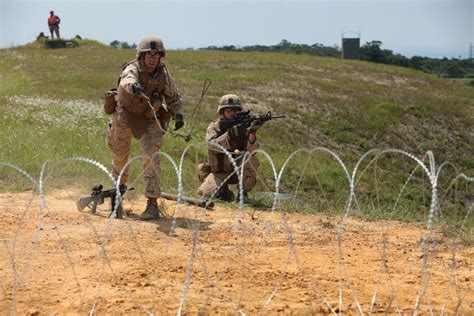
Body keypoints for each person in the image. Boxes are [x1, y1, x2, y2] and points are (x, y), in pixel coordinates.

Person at [106, 36, 185, 220]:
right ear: (142, 55)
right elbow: (126, 80)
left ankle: (152, 204)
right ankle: (117, 198)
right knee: (120, 156)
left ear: (160, 56)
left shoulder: (164, 75)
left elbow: (174, 97)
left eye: (156, 54)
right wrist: (133, 86)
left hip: (149, 118)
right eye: (149, 54)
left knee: (151, 156)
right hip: (125, 115)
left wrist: (178, 114)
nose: (152, 58)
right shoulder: (132, 68)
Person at [197, 94, 261, 204]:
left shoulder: (243, 126)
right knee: (205, 194)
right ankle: (224, 192)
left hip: (238, 170)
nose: (232, 113)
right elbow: (211, 145)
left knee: (251, 159)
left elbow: (252, 150)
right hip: (219, 172)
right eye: (228, 110)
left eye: (235, 110)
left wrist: (252, 133)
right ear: (222, 111)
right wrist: (229, 135)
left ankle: (243, 195)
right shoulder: (214, 127)